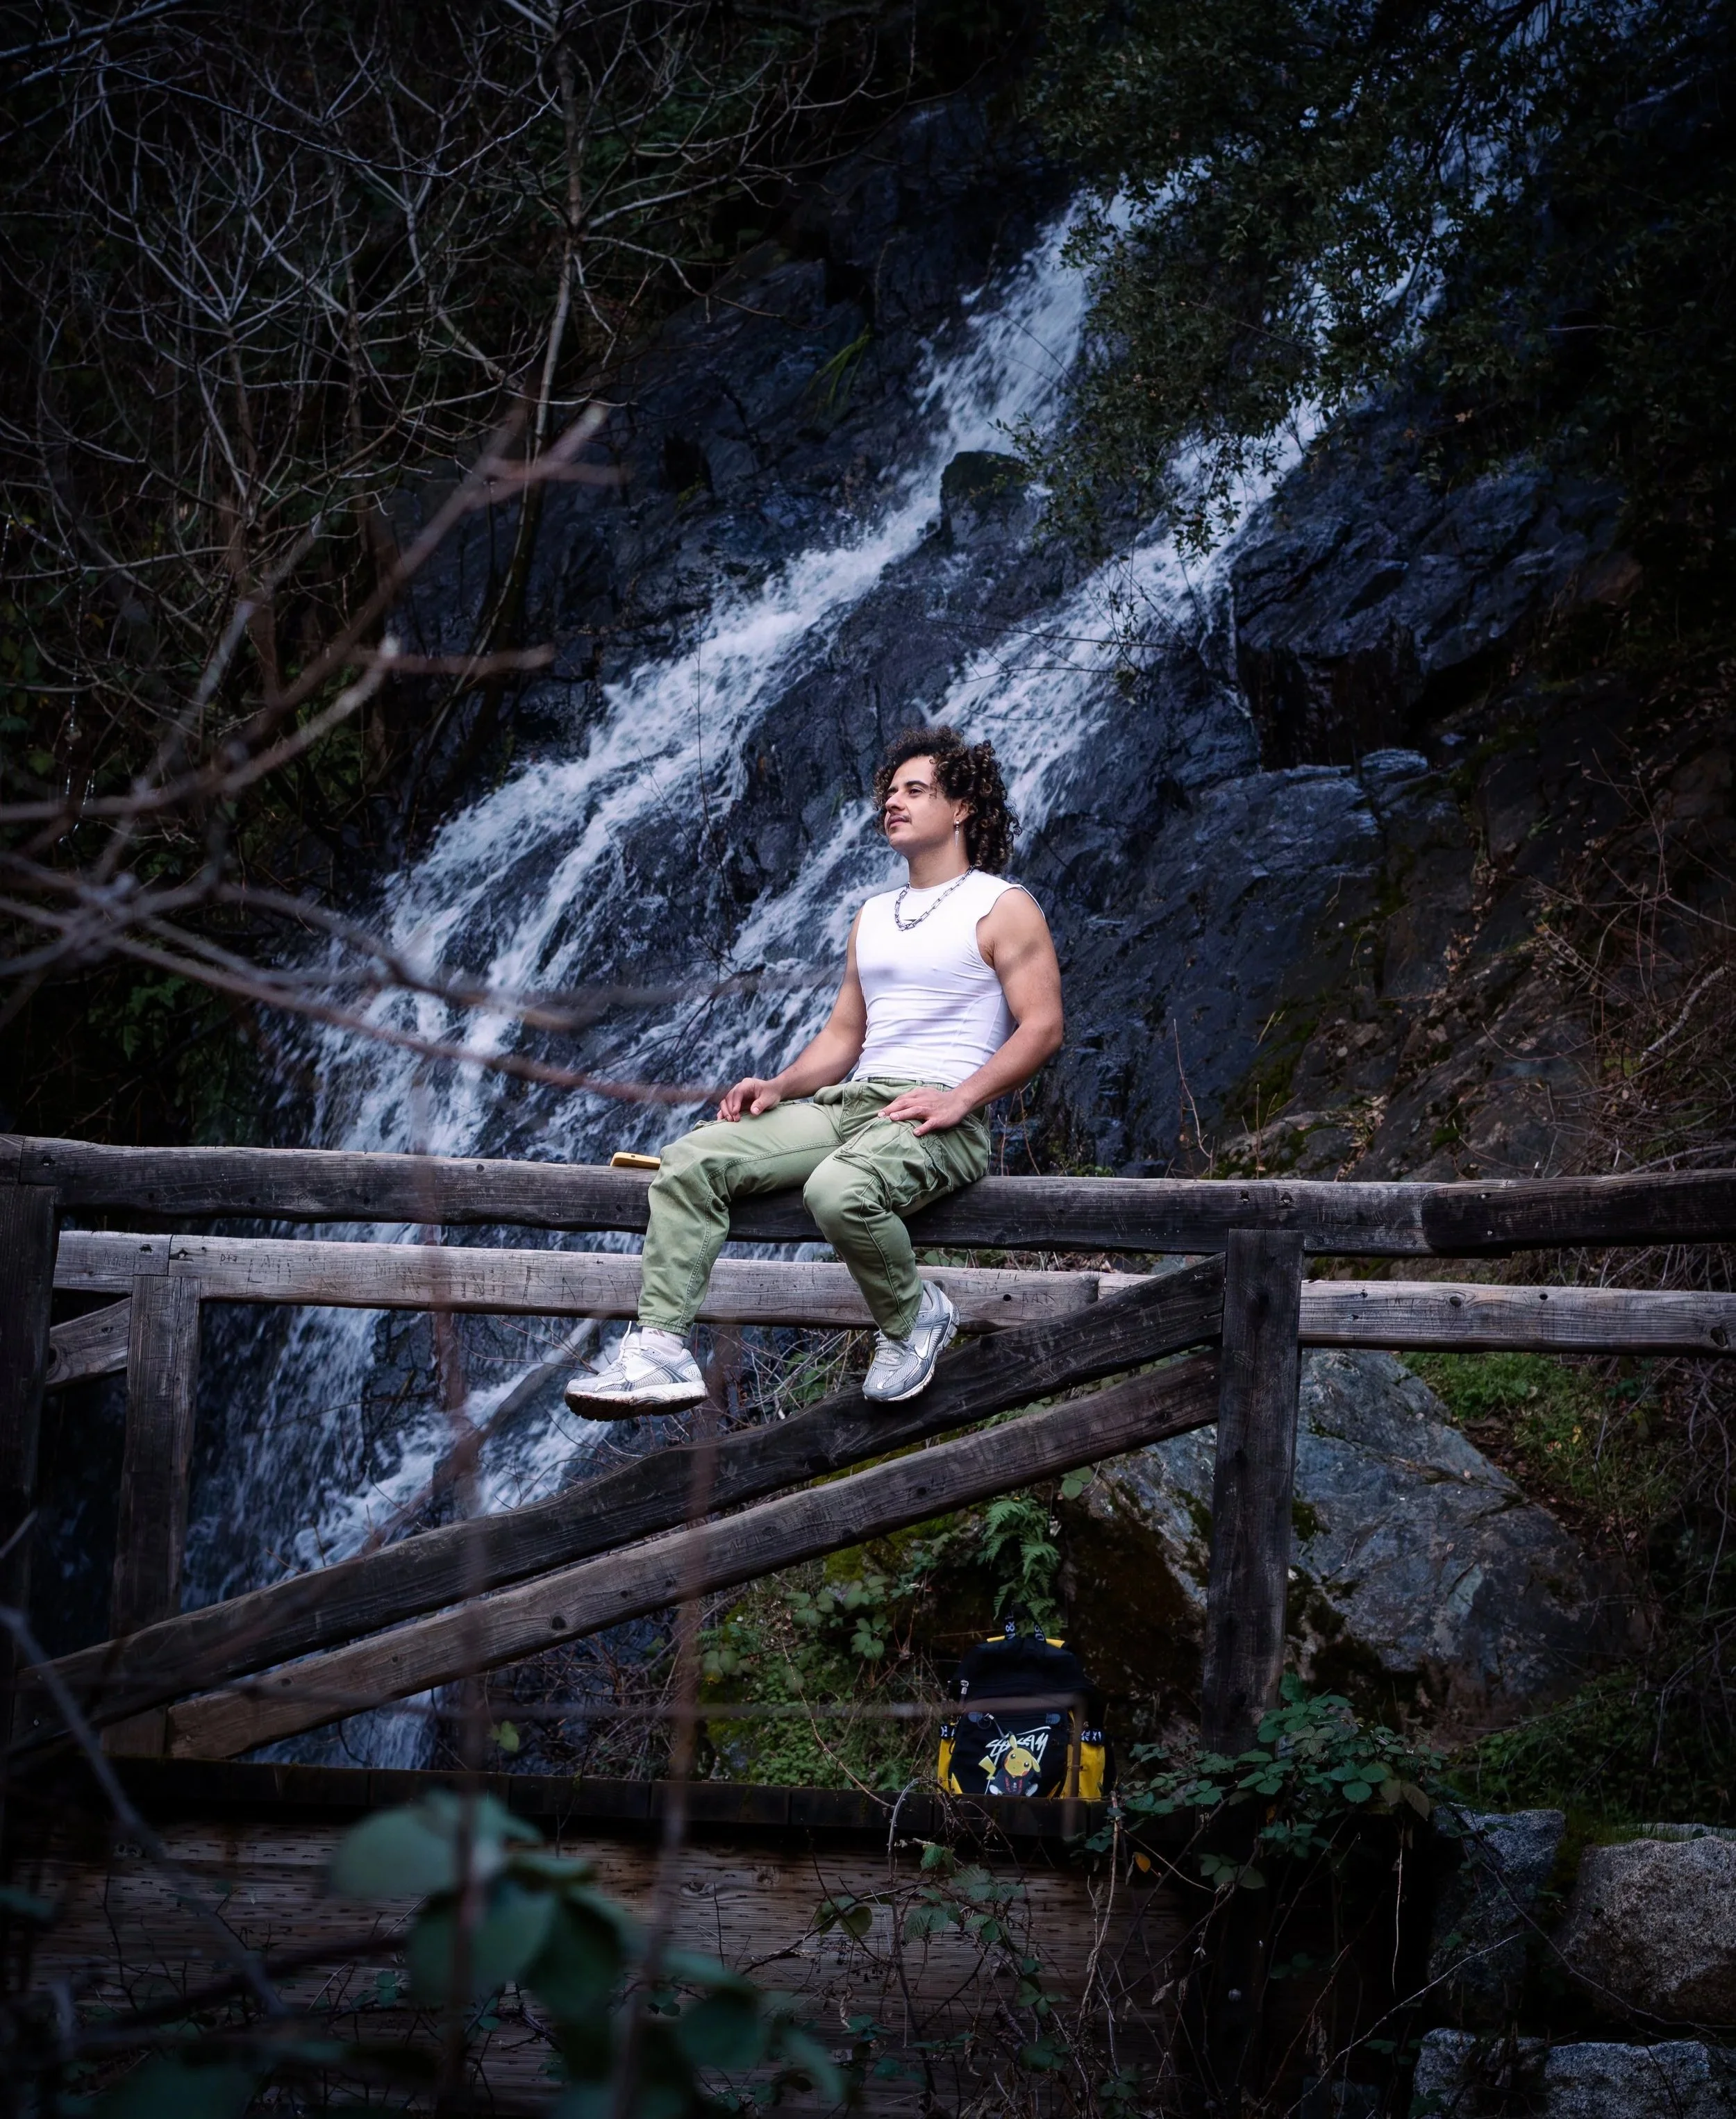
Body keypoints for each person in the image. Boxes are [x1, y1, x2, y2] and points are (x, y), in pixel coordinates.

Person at [565, 726, 1065, 1414]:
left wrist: (963, 1099)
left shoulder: (1002, 905)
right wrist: (778, 1086)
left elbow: (1042, 1026)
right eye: (889, 791)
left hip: (938, 1114)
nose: (893, 802)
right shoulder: (873, 915)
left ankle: (915, 1315)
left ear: (961, 809)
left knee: (838, 1190)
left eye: (914, 790)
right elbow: (844, 1035)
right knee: (693, 1157)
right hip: (848, 1105)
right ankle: (659, 1352)